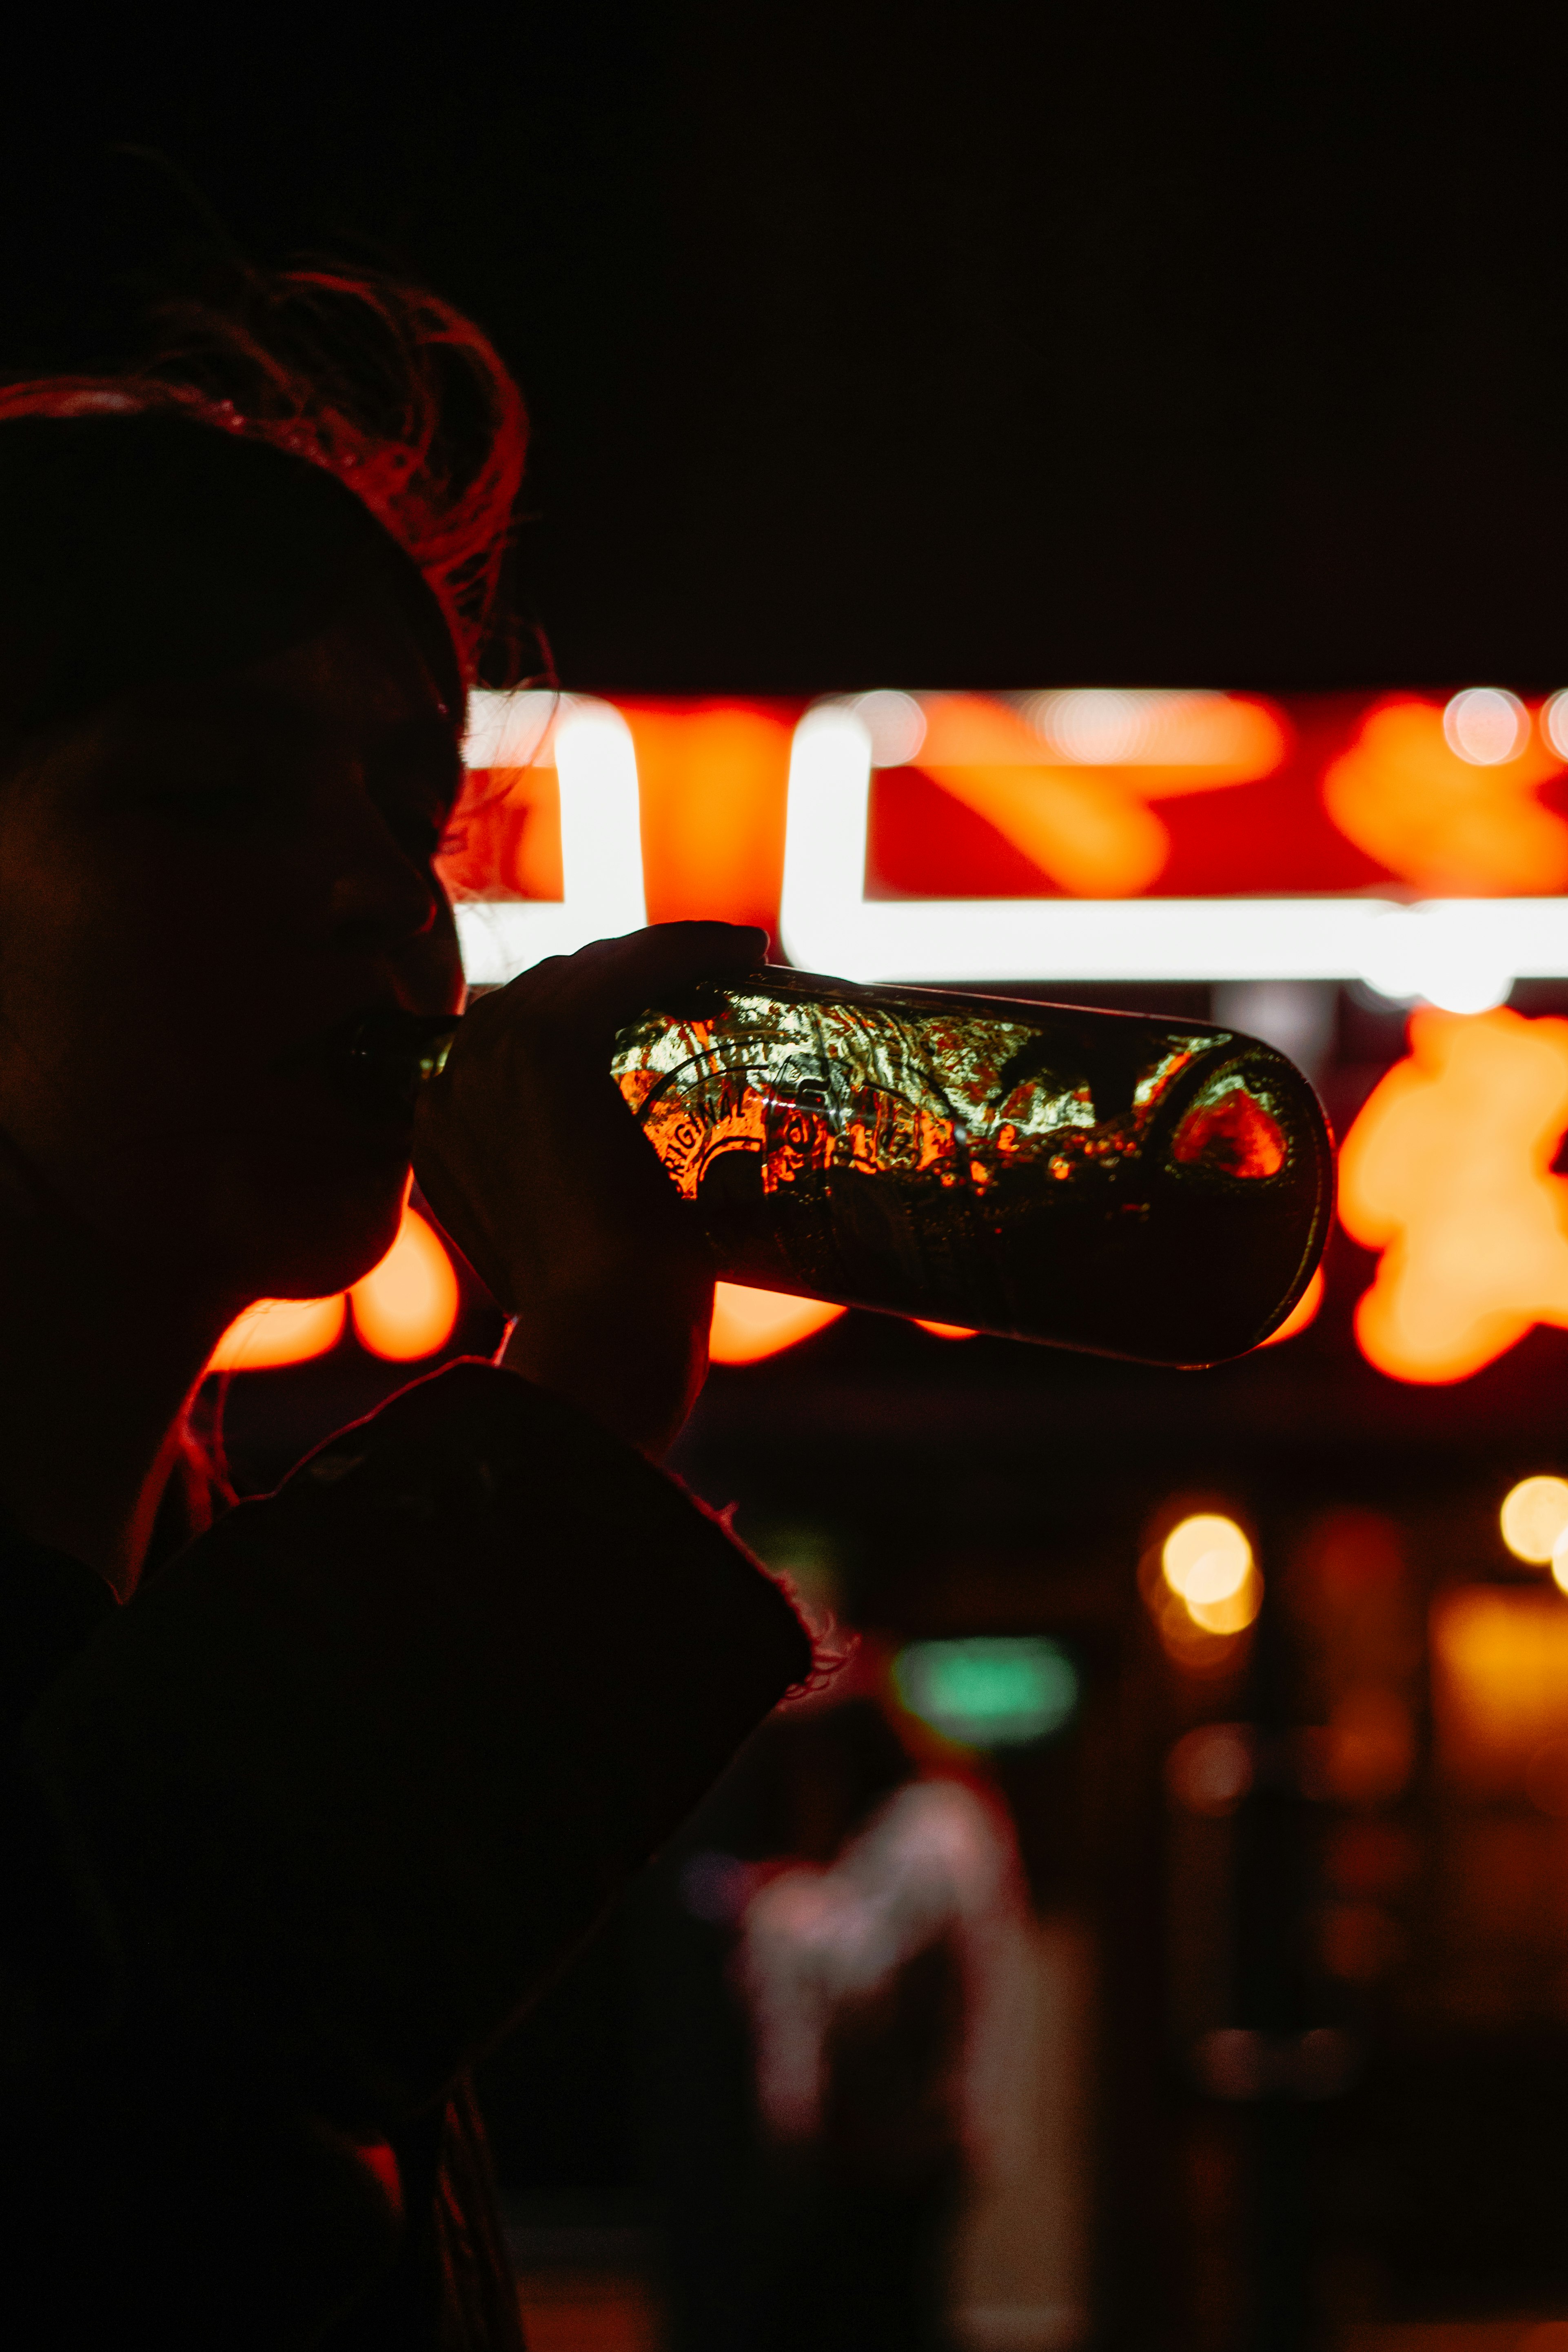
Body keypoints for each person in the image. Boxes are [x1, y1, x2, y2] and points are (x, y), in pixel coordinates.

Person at [0, 268, 813, 2345]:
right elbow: (125, 2131)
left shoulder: (205, 1605)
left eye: (409, 802)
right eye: (206, 793)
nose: (386, 893)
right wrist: (579, 1398)